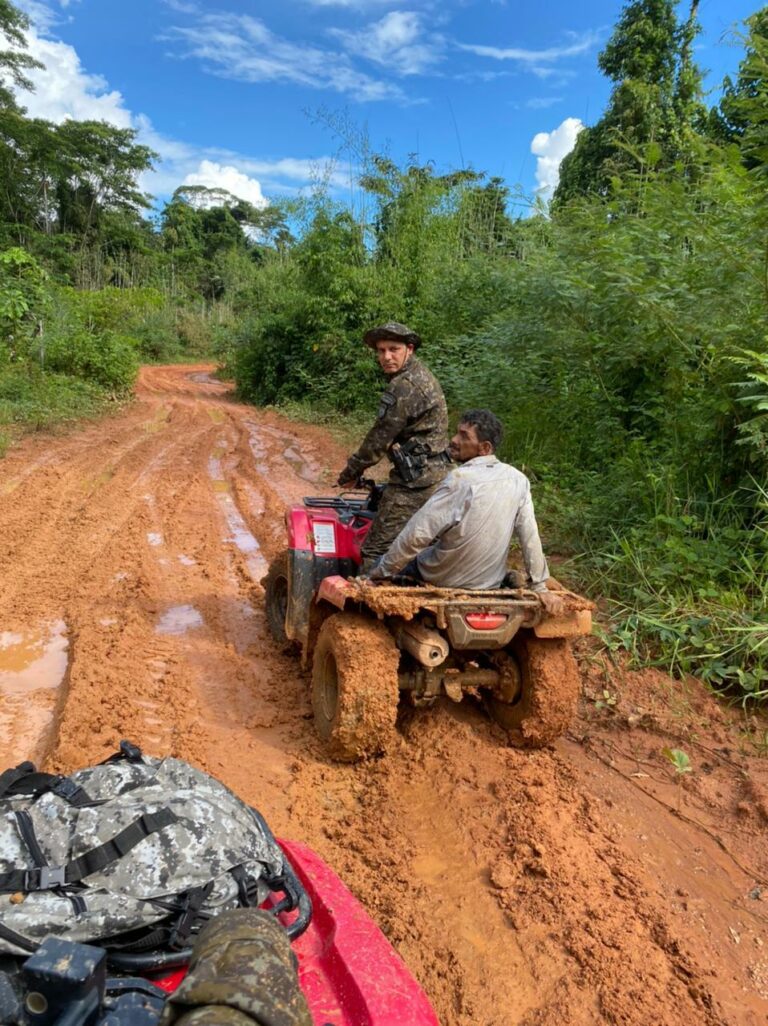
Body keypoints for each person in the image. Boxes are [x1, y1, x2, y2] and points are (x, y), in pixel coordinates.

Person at [369, 408, 564, 614]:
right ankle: (507, 578)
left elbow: (417, 535)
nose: (453, 440)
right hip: (489, 582)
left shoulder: (460, 479)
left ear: (485, 448)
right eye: (456, 432)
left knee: (393, 565)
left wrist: (381, 571)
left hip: (443, 579)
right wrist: (540, 586)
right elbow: (530, 536)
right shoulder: (518, 480)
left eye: (464, 436)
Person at [336, 322, 450, 572]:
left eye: (393, 349)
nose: (386, 357)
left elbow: (379, 439)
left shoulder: (404, 386)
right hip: (439, 476)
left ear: (409, 349)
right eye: (381, 351)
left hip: (416, 483)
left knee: (374, 548)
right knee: (424, 545)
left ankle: (362, 608)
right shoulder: (420, 375)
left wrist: (350, 473)